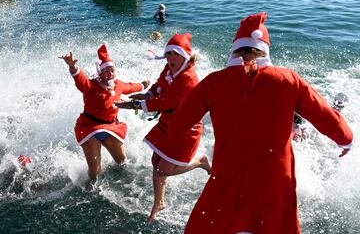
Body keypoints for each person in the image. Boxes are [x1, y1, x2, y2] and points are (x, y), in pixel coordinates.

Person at [167, 12, 353, 234]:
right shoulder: (289, 79)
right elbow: (326, 118)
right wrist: (346, 141)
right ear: (265, 49)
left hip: (228, 181)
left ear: (235, 48)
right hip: (275, 185)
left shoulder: (213, 83)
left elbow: (176, 126)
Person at [115, 33, 211, 222]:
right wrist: (146, 94)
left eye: (175, 54)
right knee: (155, 162)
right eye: (168, 54)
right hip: (168, 122)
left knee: (162, 170)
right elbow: (159, 85)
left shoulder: (188, 79)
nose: (171, 58)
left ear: (186, 56)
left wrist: (130, 106)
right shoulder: (169, 67)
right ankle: (160, 202)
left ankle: (200, 162)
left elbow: (164, 103)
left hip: (185, 128)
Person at [59, 43, 149, 188]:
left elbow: (131, 86)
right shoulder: (91, 86)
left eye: (112, 70)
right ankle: (91, 187)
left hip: (111, 127)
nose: (109, 74)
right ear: (99, 72)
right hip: (90, 128)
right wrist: (73, 67)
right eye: (105, 71)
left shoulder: (118, 85)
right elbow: (80, 80)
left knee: (122, 162)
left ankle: (125, 184)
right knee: (95, 171)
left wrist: (143, 85)